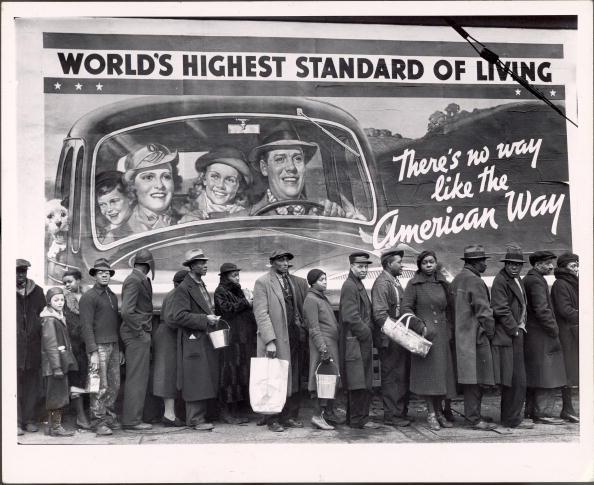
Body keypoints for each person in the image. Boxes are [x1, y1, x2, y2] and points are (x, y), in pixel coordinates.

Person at [248, 123, 365, 219]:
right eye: (280, 159)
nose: (291, 167)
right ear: (264, 168)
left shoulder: (324, 214)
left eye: (298, 159)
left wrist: (346, 223)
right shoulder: (244, 219)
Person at [253, 249, 307, 432]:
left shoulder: (291, 281)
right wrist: (269, 340)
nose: (285, 263)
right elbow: (261, 313)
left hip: (292, 336)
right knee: (273, 377)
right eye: (281, 260)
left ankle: (288, 416)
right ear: (272, 262)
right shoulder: (262, 282)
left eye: (286, 260)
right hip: (276, 337)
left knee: (292, 376)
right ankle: (272, 419)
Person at [401, 250, 457, 431]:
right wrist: (420, 327)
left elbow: (449, 309)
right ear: (420, 265)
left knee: (442, 377)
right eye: (425, 263)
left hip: (441, 335)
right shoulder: (413, 284)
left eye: (431, 262)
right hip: (425, 337)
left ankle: (440, 412)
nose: (428, 265)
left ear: (435, 263)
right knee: (429, 377)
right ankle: (431, 413)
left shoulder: (443, 284)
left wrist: (448, 329)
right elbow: (406, 309)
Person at [170, 249, 221, 431]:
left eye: (205, 262)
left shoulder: (200, 284)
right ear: (191, 266)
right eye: (201, 262)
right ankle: (195, 419)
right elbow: (179, 316)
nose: (205, 265)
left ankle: (199, 417)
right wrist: (205, 319)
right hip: (193, 339)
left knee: (202, 378)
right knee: (195, 379)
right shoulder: (184, 288)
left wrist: (210, 317)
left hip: (202, 338)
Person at [450, 245, 497, 431]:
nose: (485, 264)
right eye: (483, 260)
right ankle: (474, 418)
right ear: (476, 263)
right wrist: (491, 333)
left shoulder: (457, 279)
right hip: (476, 338)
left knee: (471, 379)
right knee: (477, 379)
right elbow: (485, 313)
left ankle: (473, 414)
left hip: (461, 337)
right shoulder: (475, 281)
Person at [490, 245, 534, 430]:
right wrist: (515, 329)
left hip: (516, 332)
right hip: (509, 335)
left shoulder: (517, 279)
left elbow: (521, 304)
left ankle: (512, 417)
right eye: (511, 264)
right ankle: (512, 419)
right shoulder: (501, 280)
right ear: (506, 264)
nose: (515, 267)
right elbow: (500, 309)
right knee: (515, 379)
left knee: (516, 379)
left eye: (518, 264)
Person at [79, 258, 122, 436]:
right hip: (98, 347)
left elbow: (115, 324)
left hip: (113, 345)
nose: (105, 274)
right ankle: (98, 421)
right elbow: (86, 326)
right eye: (100, 272)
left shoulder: (111, 295)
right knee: (99, 386)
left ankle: (109, 417)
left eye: (107, 272)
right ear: (94, 275)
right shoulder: (88, 297)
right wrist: (93, 352)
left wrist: (120, 349)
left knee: (114, 384)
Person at [371, 248, 414, 428]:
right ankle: (392, 416)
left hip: (398, 337)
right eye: (399, 262)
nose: (402, 265)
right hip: (390, 339)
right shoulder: (382, 283)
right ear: (389, 264)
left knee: (400, 375)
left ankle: (399, 412)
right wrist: (399, 334)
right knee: (391, 377)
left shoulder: (394, 281)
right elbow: (380, 315)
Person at [524, 251, 567, 425]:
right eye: (548, 263)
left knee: (536, 374)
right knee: (546, 375)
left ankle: (531, 411)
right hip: (542, 334)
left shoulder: (529, 278)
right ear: (537, 264)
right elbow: (542, 310)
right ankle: (542, 414)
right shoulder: (536, 280)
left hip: (534, 334)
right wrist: (554, 330)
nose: (551, 266)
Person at [338, 252, 380, 430]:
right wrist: (367, 334)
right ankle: (359, 420)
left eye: (366, 266)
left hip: (357, 340)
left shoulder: (356, 284)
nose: (364, 270)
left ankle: (354, 418)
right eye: (360, 266)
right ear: (351, 266)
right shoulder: (350, 286)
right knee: (358, 381)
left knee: (359, 379)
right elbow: (350, 316)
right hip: (356, 341)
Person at [213, 263, 257, 424]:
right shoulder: (221, 291)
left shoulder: (237, 290)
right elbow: (227, 310)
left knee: (239, 374)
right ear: (225, 277)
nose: (237, 278)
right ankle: (227, 411)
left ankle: (238, 409)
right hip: (230, 339)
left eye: (237, 275)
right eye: (233, 275)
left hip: (242, 338)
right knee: (228, 375)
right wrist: (246, 302)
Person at [303, 268, 345, 430]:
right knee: (319, 380)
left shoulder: (321, 297)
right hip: (322, 346)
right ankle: (317, 415)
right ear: (313, 282)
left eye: (326, 279)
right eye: (321, 280)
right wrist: (323, 349)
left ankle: (329, 413)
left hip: (330, 345)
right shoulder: (311, 300)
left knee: (330, 379)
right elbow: (313, 328)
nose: (325, 282)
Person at [120, 249, 156, 430]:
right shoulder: (134, 280)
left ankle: (134, 418)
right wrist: (140, 332)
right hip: (136, 335)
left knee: (139, 378)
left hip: (138, 334)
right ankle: (131, 420)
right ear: (149, 264)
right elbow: (126, 311)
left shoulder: (139, 279)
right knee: (136, 378)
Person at [40, 287, 78, 437]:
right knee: (57, 396)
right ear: (49, 302)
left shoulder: (58, 317)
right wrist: (56, 367)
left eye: (62, 299)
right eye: (56, 300)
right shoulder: (50, 320)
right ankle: (55, 427)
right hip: (55, 366)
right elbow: (51, 346)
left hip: (58, 365)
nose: (60, 302)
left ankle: (51, 427)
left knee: (56, 394)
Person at [179, 147, 253, 222]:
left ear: (239, 187)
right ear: (204, 179)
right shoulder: (187, 210)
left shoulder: (245, 213)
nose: (220, 185)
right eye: (215, 176)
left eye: (230, 180)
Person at [153, 270, 188, 427]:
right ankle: (169, 415)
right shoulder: (176, 294)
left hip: (166, 334)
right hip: (168, 336)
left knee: (168, 374)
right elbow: (171, 319)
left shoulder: (173, 293)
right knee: (168, 375)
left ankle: (170, 413)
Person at [16, 259, 46, 435]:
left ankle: (29, 420)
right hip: (14, 348)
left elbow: (43, 318)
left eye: (23, 271)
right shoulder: (5, 290)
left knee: (31, 386)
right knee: (14, 387)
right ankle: (16, 422)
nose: (20, 275)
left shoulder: (38, 292)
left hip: (33, 347)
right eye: (17, 271)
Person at [551, 252, 579, 423]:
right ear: (563, 267)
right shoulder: (561, 284)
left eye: (577, 265)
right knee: (568, 372)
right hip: (567, 334)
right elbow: (565, 310)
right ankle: (567, 409)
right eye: (573, 266)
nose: (576, 269)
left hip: (574, 332)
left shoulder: (573, 282)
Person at [62, 269, 92, 430]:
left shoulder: (87, 296)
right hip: (73, 347)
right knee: (76, 380)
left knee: (90, 379)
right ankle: (80, 416)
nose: (67, 284)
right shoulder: (63, 300)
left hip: (88, 345)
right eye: (65, 282)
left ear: (79, 281)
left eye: (70, 281)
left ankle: (88, 413)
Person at [124, 143, 178, 232]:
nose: (160, 185)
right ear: (132, 185)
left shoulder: (189, 220)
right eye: (148, 177)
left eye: (166, 177)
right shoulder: (115, 235)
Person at [95, 170, 132, 243]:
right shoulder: (102, 233)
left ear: (130, 198)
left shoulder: (140, 227)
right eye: (102, 204)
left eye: (114, 201)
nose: (109, 209)